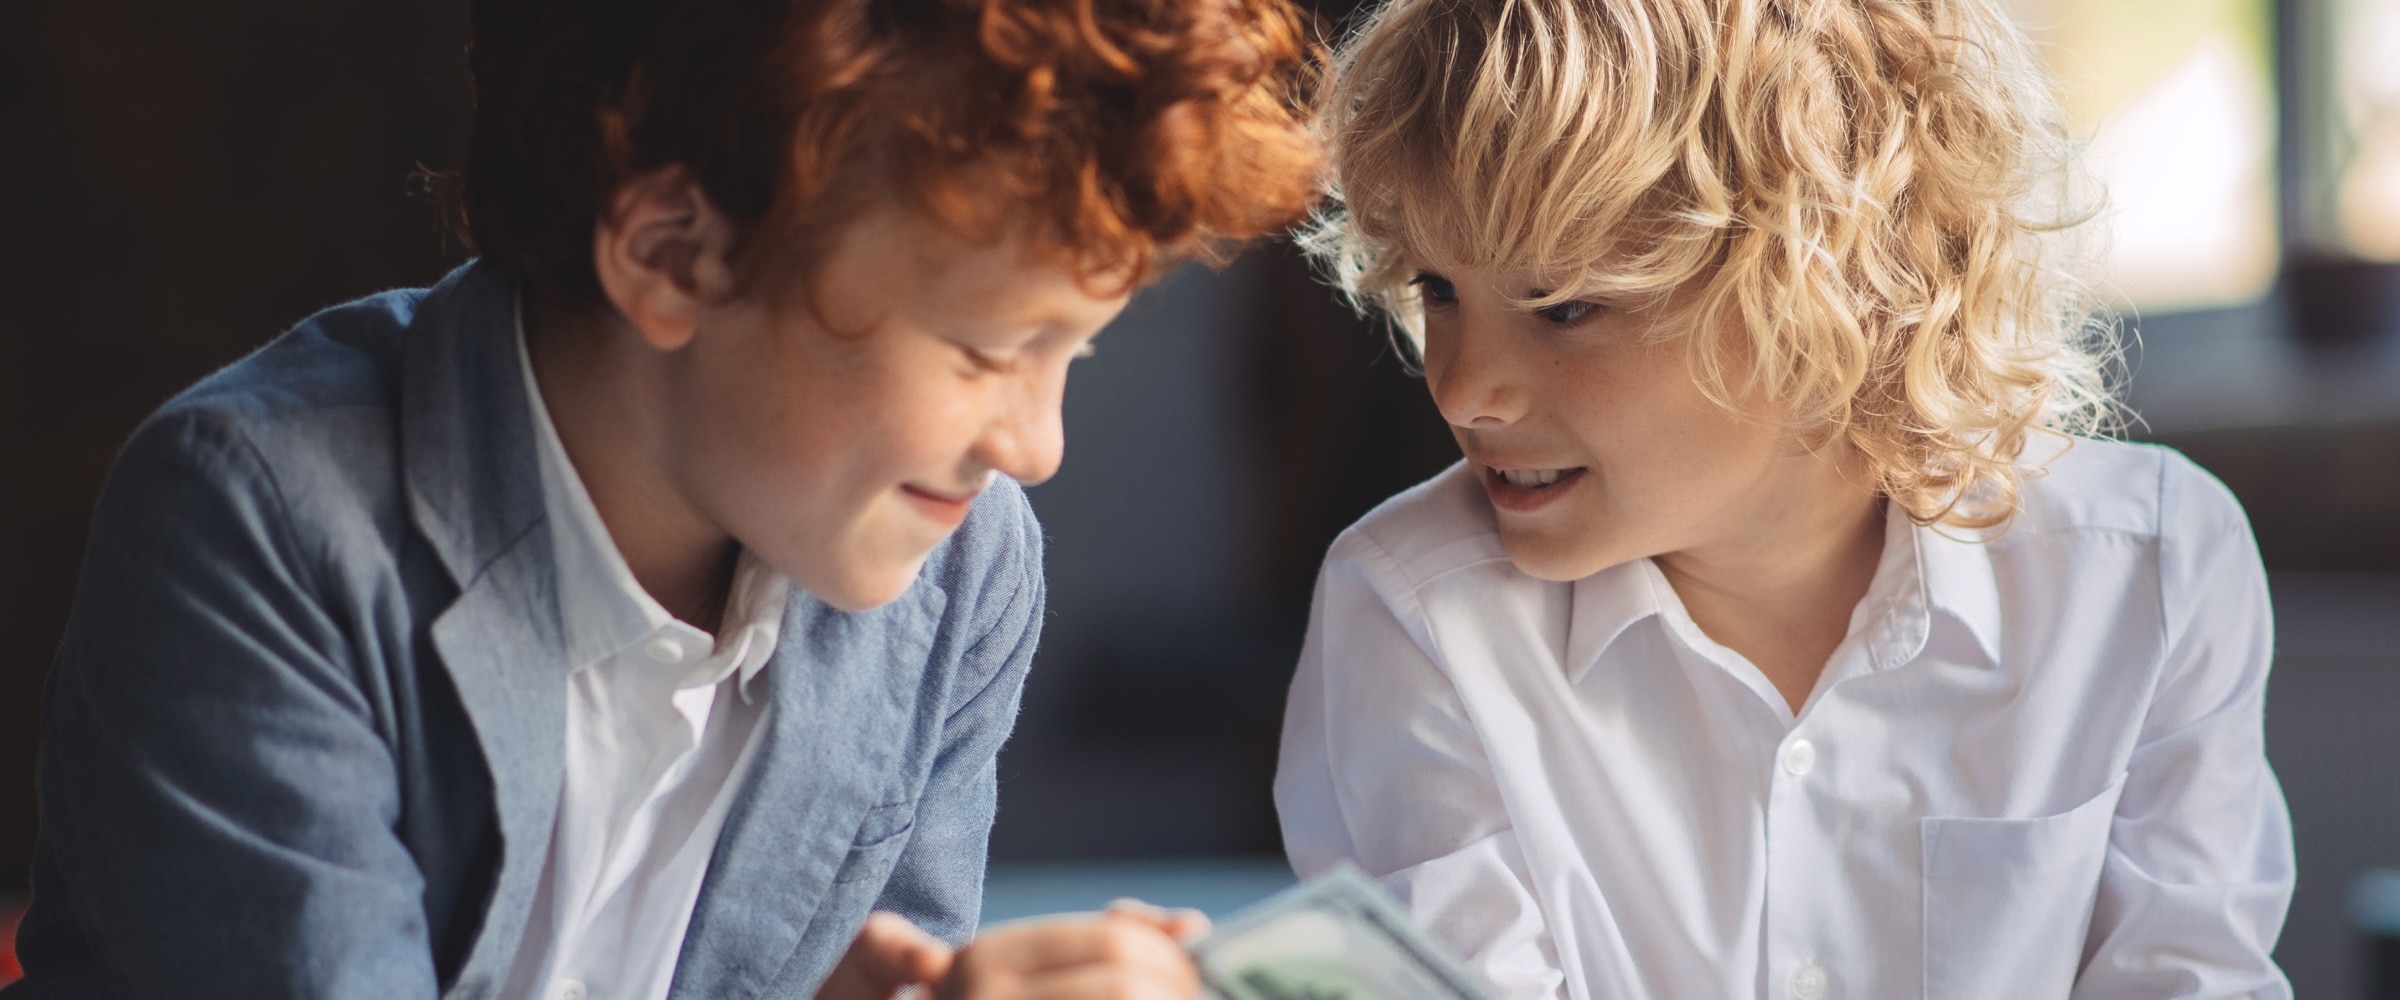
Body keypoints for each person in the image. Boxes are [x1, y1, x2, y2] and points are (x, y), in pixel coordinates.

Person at [10, 0, 1320, 996]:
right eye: (985, 350)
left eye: (1073, 352)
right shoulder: (262, 527)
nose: (1036, 447)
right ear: (672, 253)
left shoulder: (962, 572)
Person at [1273, 0, 2294, 995]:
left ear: (1827, 285)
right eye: (1439, 291)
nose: (1461, 388)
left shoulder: (2149, 568)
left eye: (1565, 306)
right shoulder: (1412, 614)